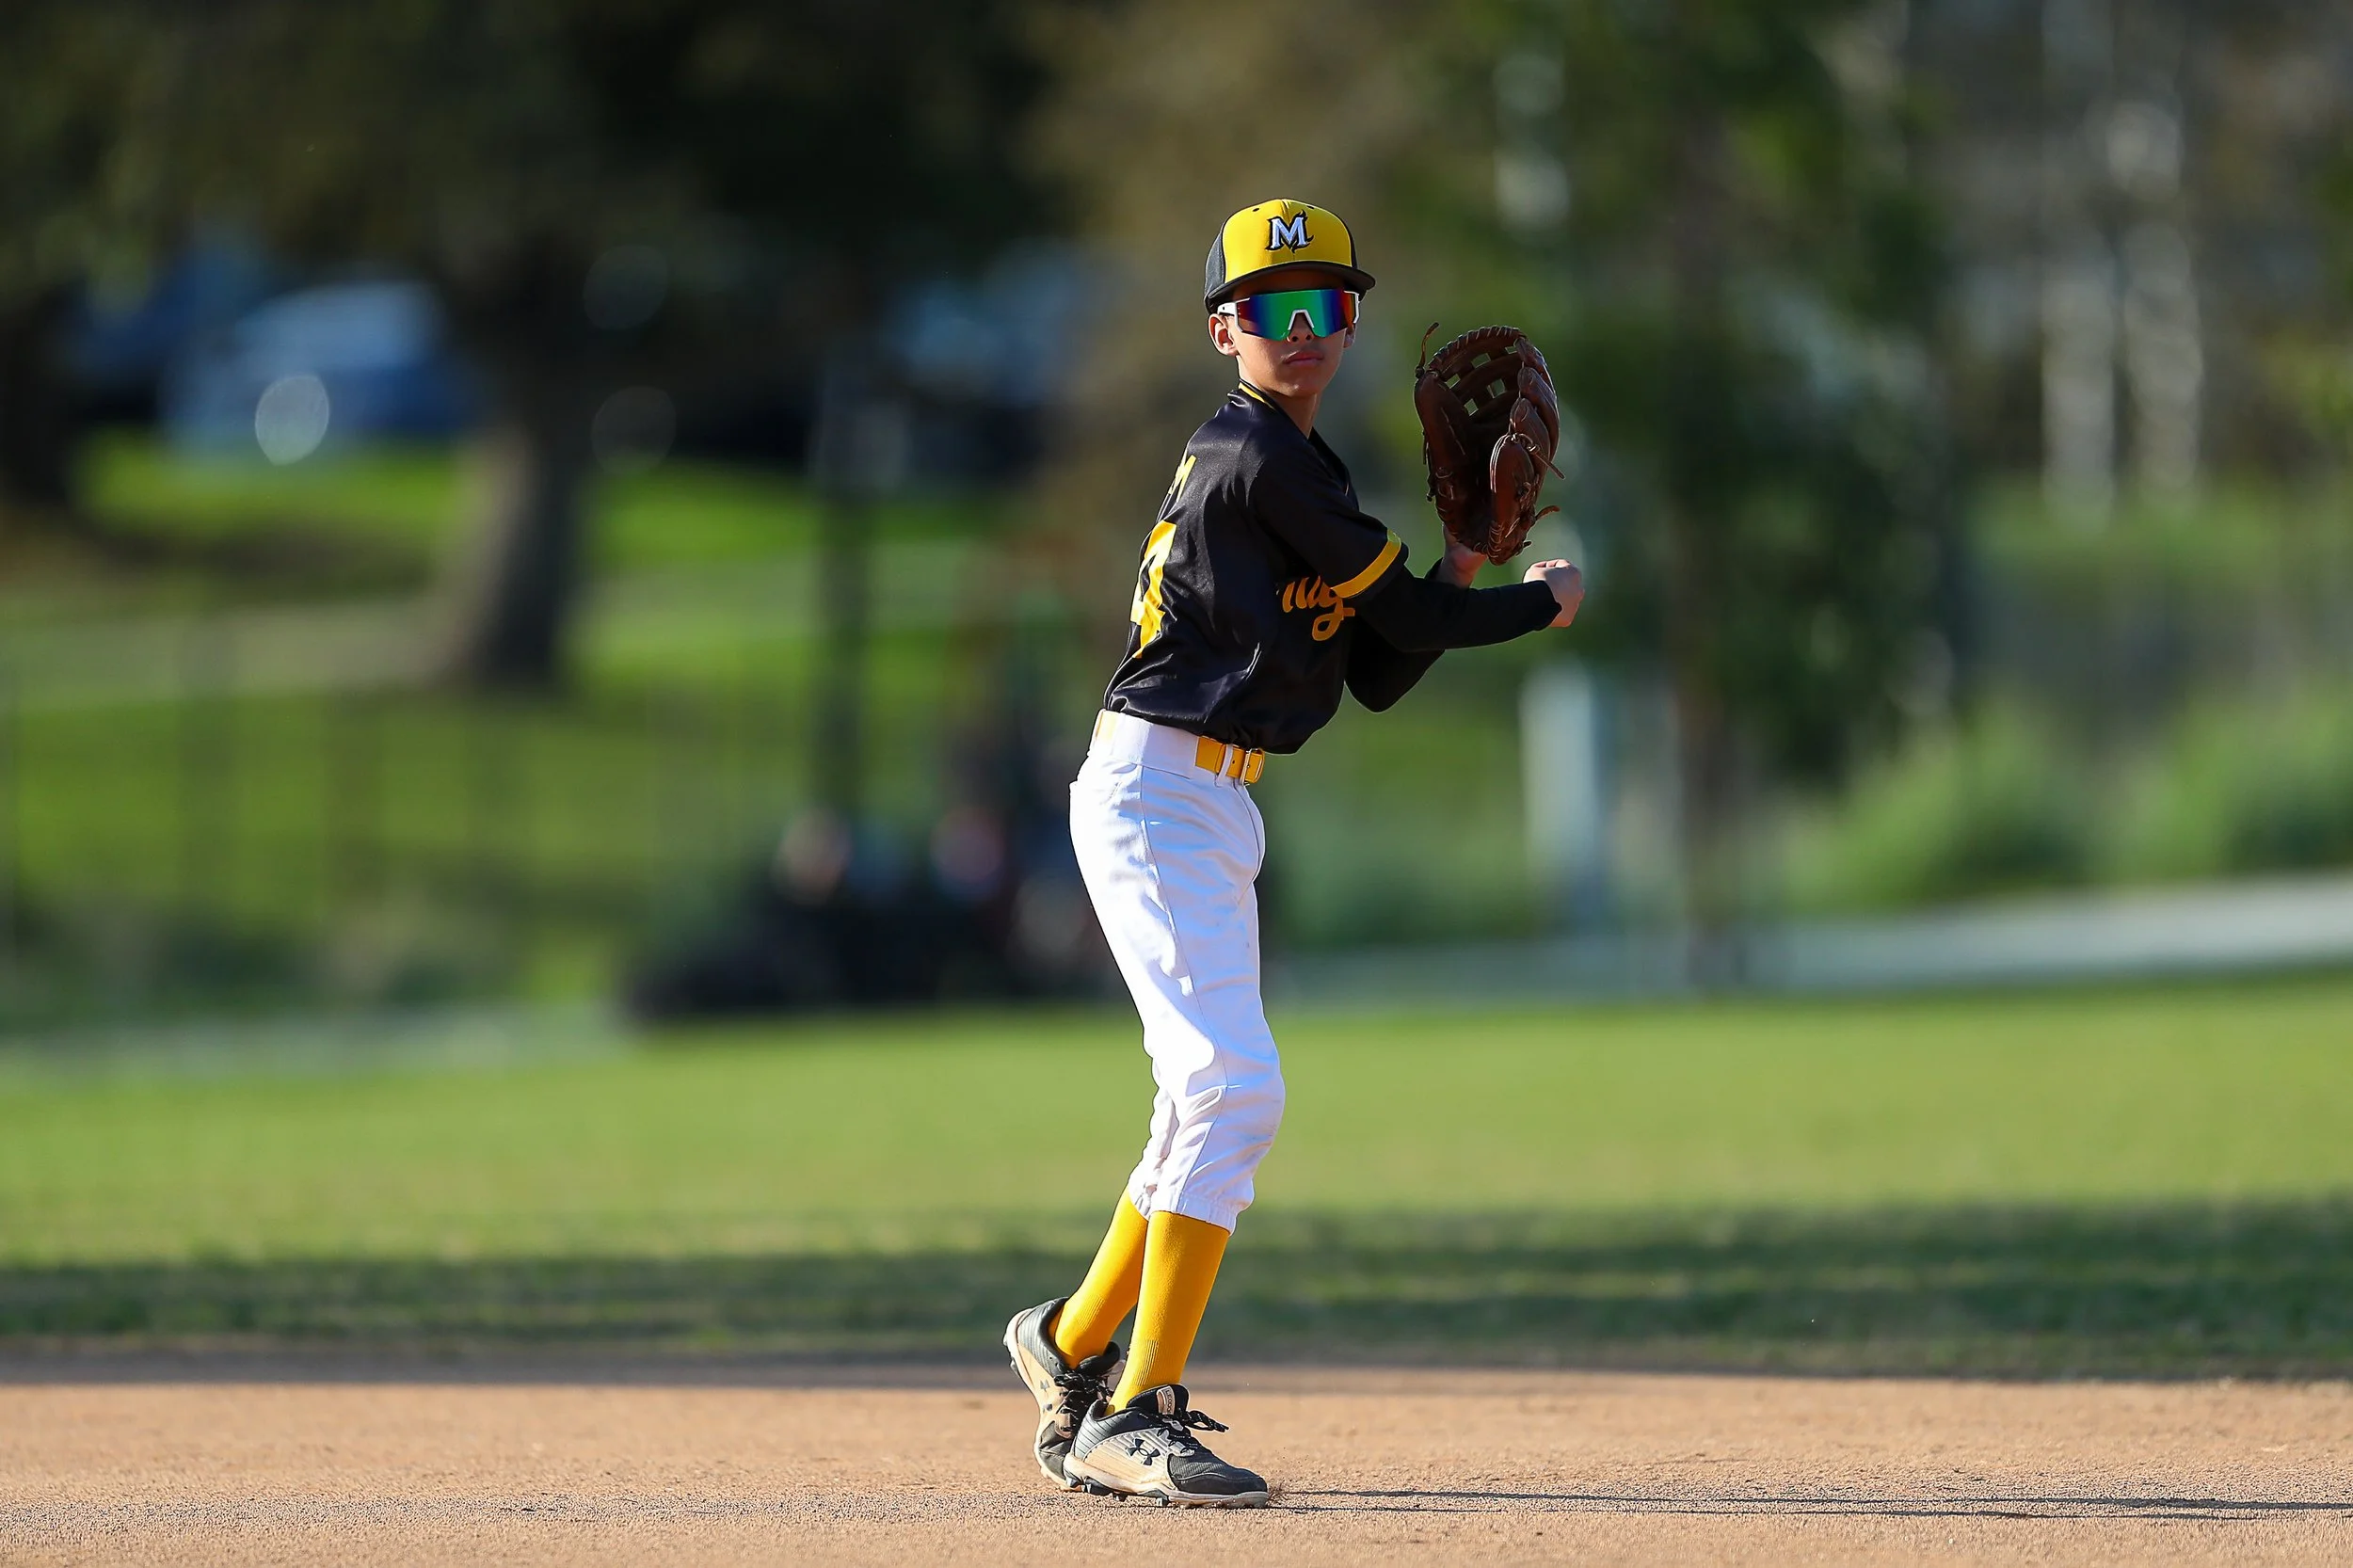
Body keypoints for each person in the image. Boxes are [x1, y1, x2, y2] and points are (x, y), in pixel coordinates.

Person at [1004, 199, 1584, 1508]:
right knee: (1233, 1086)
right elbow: (1418, 616)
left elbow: (1379, 667)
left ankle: (1070, 1342)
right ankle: (1133, 1414)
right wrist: (1527, 598)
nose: (1307, 329)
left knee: (1200, 1100)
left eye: (1332, 306)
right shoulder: (1248, 455)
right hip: (1154, 786)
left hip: (1211, 803)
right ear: (1226, 331)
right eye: (1275, 308)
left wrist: (1459, 564)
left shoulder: (1304, 476)